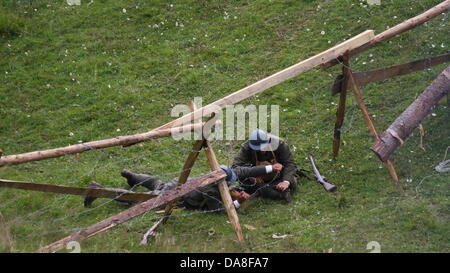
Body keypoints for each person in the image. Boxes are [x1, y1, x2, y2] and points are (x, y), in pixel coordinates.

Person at [84, 164, 280, 211]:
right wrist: (238, 202)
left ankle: (132, 176)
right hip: (178, 195)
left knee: (157, 183)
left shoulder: (218, 174)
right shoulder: (212, 190)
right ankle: (98, 190)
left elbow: (245, 172)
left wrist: (270, 167)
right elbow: (216, 209)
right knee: (143, 200)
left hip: (179, 184)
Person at [232, 129, 298, 202]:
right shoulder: (246, 148)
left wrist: (285, 182)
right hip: (257, 180)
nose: (261, 150)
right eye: (258, 148)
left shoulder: (279, 144)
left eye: (263, 146)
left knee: (291, 180)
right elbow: (235, 169)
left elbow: (290, 163)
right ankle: (278, 193)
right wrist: (252, 174)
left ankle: (273, 190)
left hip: (278, 176)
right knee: (247, 182)